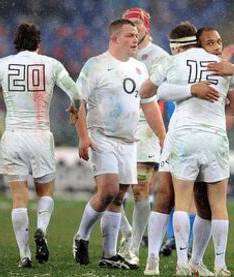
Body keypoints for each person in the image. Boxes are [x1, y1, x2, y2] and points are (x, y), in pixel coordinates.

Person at [141, 22, 234, 277]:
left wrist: (188, 89)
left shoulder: (174, 62)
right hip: (213, 138)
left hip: (181, 136)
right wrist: (232, 74)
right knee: (211, 205)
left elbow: (151, 91)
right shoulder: (222, 66)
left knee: (170, 199)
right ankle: (214, 263)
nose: (217, 46)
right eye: (213, 42)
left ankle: (179, 262)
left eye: (218, 42)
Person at [0, 22, 81, 268]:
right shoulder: (51, 64)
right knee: (45, 192)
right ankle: (41, 228)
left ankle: (25, 255)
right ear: (38, 43)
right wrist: (75, 109)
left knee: (19, 198)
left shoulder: (2, 65)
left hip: (13, 137)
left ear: (16, 43)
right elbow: (76, 93)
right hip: (40, 135)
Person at [71, 19, 165, 269]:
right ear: (114, 38)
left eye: (136, 35)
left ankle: (108, 254)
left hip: (128, 140)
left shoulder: (139, 69)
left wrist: (164, 136)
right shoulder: (96, 65)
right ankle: (81, 236)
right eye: (129, 35)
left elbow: (149, 105)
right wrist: (83, 136)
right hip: (101, 135)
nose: (136, 39)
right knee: (109, 189)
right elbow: (76, 101)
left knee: (119, 196)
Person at [115, 8, 170, 266]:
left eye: (137, 23)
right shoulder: (119, 54)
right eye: (129, 24)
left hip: (145, 126)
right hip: (117, 126)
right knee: (109, 190)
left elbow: (157, 91)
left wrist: (161, 133)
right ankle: (127, 234)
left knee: (140, 189)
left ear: (146, 26)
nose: (134, 28)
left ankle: (134, 248)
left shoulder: (159, 56)